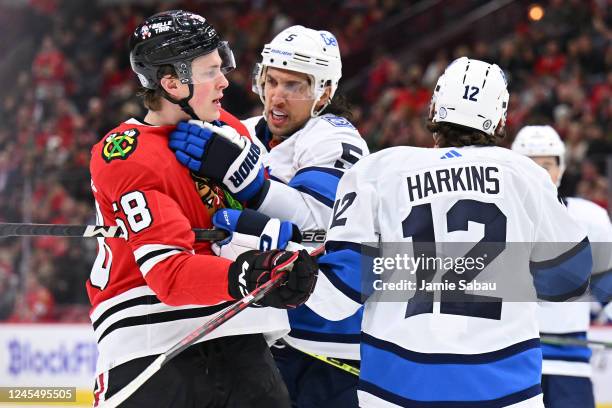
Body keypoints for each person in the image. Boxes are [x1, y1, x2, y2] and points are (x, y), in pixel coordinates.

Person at [304, 57, 592, 407]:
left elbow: (339, 294)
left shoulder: (378, 171)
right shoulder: (525, 174)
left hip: (395, 387)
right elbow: (569, 281)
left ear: (434, 107)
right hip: (505, 387)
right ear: (500, 119)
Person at [88, 10, 316, 407]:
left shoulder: (229, 128)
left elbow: (275, 223)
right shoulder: (126, 153)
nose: (225, 80)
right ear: (172, 82)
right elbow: (168, 274)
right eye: (210, 71)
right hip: (151, 349)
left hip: (242, 340)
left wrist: (281, 252)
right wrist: (249, 273)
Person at [169, 25, 369, 407]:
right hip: (268, 336)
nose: (277, 95)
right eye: (272, 81)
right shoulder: (242, 131)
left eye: (295, 86)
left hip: (329, 345)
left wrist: (249, 185)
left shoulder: (335, 138)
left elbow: (318, 224)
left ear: (323, 92)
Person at [512, 125, 612, 408]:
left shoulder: (589, 219)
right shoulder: (495, 221)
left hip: (569, 368)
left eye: (547, 164)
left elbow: (607, 284)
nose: (540, 173)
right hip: (512, 364)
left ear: (561, 167)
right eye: (531, 165)